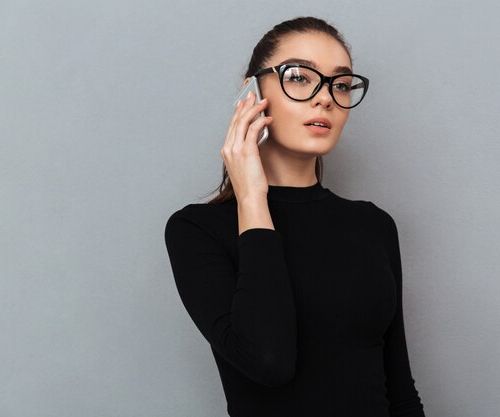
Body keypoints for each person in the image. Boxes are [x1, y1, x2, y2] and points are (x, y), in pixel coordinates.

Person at [165, 16, 426, 417]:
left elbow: (400, 389)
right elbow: (269, 361)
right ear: (250, 92)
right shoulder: (196, 231)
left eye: (340, 85)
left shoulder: (373, 226)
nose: (325, 98)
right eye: (300, 77)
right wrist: (252, 195)